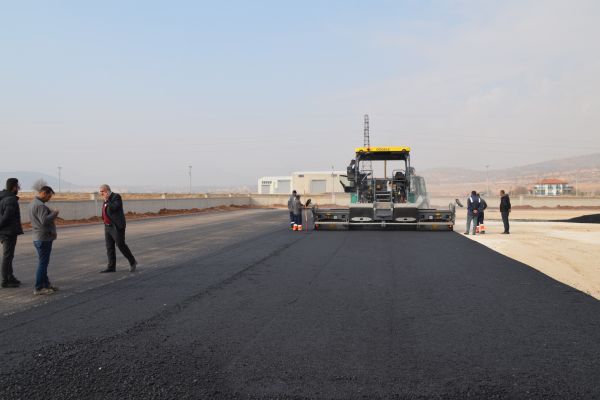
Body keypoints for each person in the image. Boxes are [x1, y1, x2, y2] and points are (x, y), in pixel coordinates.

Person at [28, 185, 59, 295]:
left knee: (43, 262)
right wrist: (54, 213)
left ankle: (46, 284)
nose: (49, 199)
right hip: (43, 238)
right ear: (44, 193)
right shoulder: (40, 206)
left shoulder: (32, 203)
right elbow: (44, 221)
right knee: (43, 264)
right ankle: (39, 287)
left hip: (38, 237)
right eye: (49, 196)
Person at [99, 184, 137, 273]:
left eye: (102, 192)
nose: (101, 194)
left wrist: (107, 200)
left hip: (116, 226)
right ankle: (111, 267)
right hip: (107, 227)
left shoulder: (116, 197)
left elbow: (115, 208)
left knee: (121, 245)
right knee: (109, 247)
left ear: (107, 191)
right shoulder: (105, 200)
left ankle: (132, 261)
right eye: (100, 192)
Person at [0, 178, 24, 288]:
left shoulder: (4, 197)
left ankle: (10, 277)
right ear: (14, 187)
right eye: (18, 186)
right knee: (7, 256)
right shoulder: (10, 200)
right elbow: (6, 217)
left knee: (9, 256)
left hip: (7, 231)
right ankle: (6, 280)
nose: (19, 188)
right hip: (8, 232)